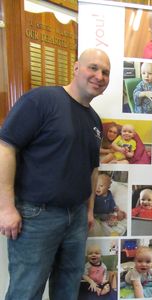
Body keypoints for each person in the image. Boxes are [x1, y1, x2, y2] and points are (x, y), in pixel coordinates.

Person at [0, 48, 111, 300]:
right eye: (93, 67)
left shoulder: (94, 120)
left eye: (105, 72)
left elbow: (92, 168)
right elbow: (5, 148)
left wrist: (90, 210)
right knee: (26, 290)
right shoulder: (41, 100)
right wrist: (5, 208)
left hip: (77, 217)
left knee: (68, 288)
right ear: (75, 68)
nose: (99, 76)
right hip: (36, 216)